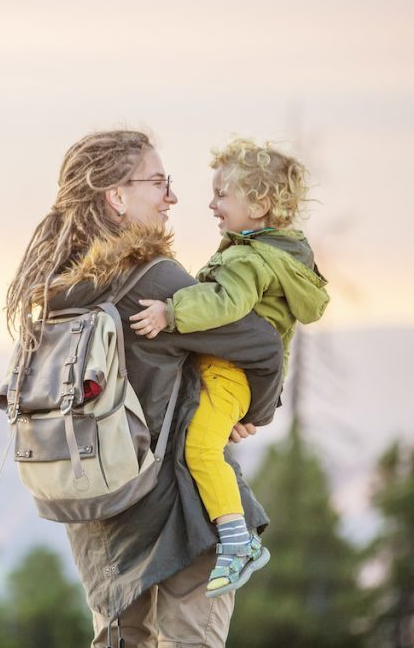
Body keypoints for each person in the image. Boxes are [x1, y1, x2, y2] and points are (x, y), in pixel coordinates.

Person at [5, 130, 285, 646]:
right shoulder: (155, 281)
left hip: (100, 516)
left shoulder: (57, 294)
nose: (172, 197)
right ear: (116, 196)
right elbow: (264, 347)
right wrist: (250, 411)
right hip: (181, 513)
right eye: (159, 182)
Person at [129, 137, 329, 597]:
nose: (212, 204)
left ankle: (238, 542)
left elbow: (226, 302)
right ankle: (237, 538)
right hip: (235, 378)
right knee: (205, 446)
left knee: (201, 451)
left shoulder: (247, 258)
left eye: (222, 194)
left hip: (228, 374)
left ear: (258, 205)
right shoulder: (276, 254)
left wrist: (171, 313)